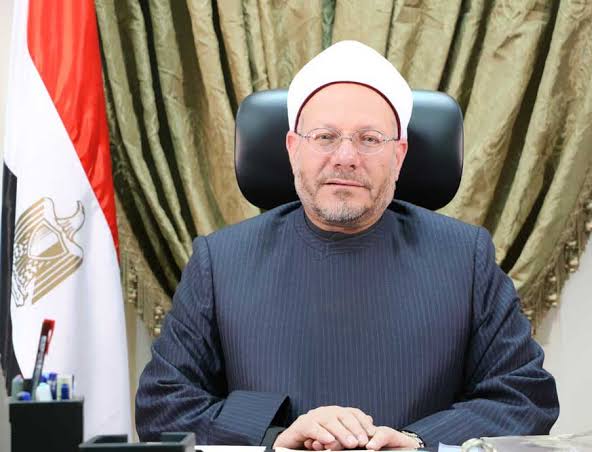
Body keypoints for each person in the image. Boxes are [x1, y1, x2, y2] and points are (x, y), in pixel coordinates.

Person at [136, 40, 559, 449]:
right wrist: (273, 435)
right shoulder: (221, 261)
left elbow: (523, 395)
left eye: (370, 139)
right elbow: (164, 406)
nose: (345, 157)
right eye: (324, 137)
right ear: (292, 149)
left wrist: (418, 441)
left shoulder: (465, 258)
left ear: (399, 155)